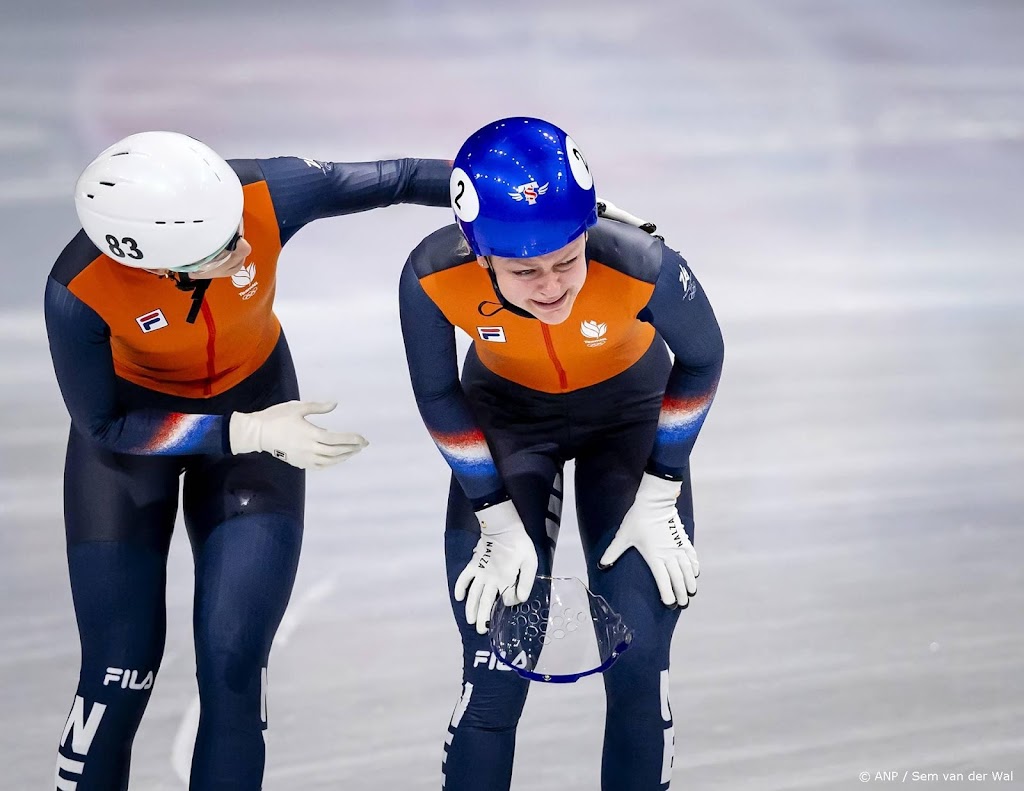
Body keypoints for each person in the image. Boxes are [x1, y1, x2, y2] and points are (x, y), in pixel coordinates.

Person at [46, 130, 450, 791]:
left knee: (234, 666)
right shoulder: (77, 289)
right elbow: (106, 424)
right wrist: (247, 431)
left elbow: (404, 174)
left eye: (236, 228)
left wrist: (564, 209)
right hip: (139, 435)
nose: (243, 250)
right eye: (220, 250)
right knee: (119, 669)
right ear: (155, 266)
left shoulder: (264, 194)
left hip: (258, 396)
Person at [398, 117, 724, 790]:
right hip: (508, 422)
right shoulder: (432, 275)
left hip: (627, 423)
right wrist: (491, 512)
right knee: (494, 672)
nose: (550, 286)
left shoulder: (640, 262)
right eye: (524, 271)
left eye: (566, 262)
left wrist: (662, 487)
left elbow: (703, 359)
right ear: (480, 253)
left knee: (637, 664)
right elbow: (437, 395)